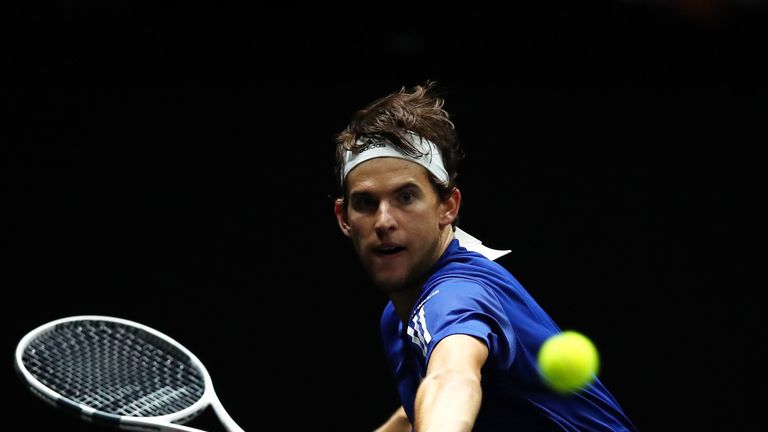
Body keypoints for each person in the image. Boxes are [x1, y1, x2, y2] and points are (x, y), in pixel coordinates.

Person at [332, 81, 637, 432]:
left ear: (447, 206)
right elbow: (415, 412)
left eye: (406, 197)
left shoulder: (454, 295)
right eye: (367, 203)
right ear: (343, 218)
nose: (384, 222)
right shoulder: (398, 316)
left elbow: (451, 378)